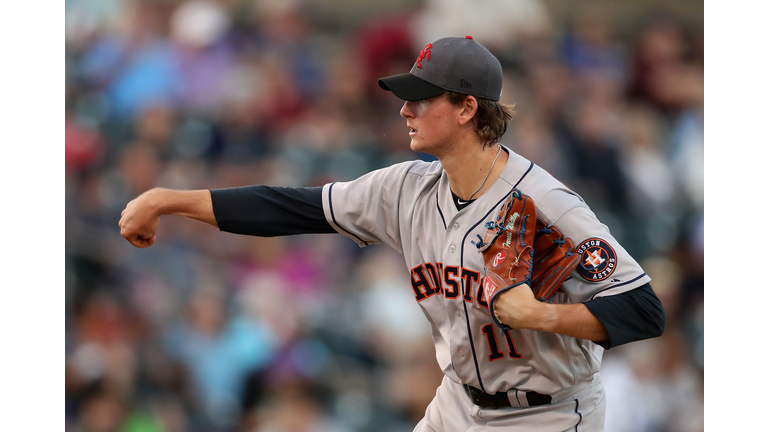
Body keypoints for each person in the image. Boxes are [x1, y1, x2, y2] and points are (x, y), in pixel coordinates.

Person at [119, 36, 665, 432]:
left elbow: (644, 310)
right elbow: (292, 208)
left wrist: (540, 314)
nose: (404, 109)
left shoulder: (545, 206)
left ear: (466, 109)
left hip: (546, 414)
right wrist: (169, 200)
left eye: (422, 98)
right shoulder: (406, 189)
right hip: (456, 406)